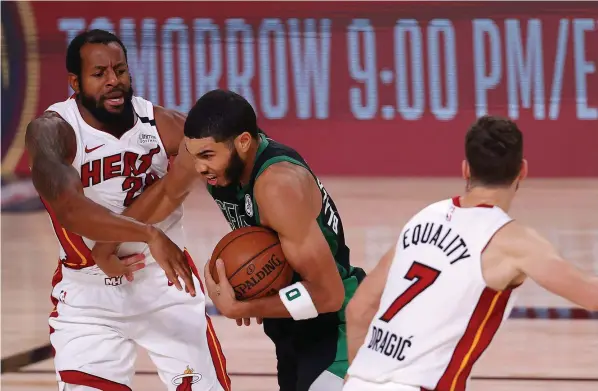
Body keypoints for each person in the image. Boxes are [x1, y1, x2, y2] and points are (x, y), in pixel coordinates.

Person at [25, 29, 230, 391]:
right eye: (99, 73)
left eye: (120, 70)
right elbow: (71, 209)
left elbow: (177, 185)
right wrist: (149, 234)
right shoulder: (54, 131)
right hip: (89, 295)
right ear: (75, 81)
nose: (113, 81)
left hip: (165, 281)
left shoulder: (164, 125)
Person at [124, 88, 367, 391]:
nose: (199, 167)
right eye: (194, 154)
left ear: (242, 142)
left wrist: (244, 308)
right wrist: (111, 242)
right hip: (291, 325)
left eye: (208, 156)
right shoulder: (210, 155)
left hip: (336, 325)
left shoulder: (277, 187)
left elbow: (327, 295)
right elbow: (168, 193)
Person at [341, 115, 598, 391]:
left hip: (358, 382)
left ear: (466, 170)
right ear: (522, 171)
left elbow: (359, 309)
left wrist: (361, 378)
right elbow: (591, 295)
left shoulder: (422, 218)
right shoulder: (513, 241)